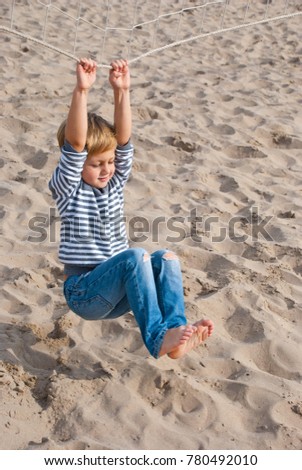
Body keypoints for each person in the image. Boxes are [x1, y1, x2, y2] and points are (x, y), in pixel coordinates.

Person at [49, 57, 214, 360]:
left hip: (119, 293)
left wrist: (122, 91)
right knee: (136, 256)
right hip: (85, 294)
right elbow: (74, 144)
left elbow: (123, 142)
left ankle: (175, 334)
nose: (106, 170)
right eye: (96, 164)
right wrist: (81, 91)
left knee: (165, 257)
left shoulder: (113, 183)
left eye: (109, 162)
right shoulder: (68, 188)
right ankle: (157, 337)